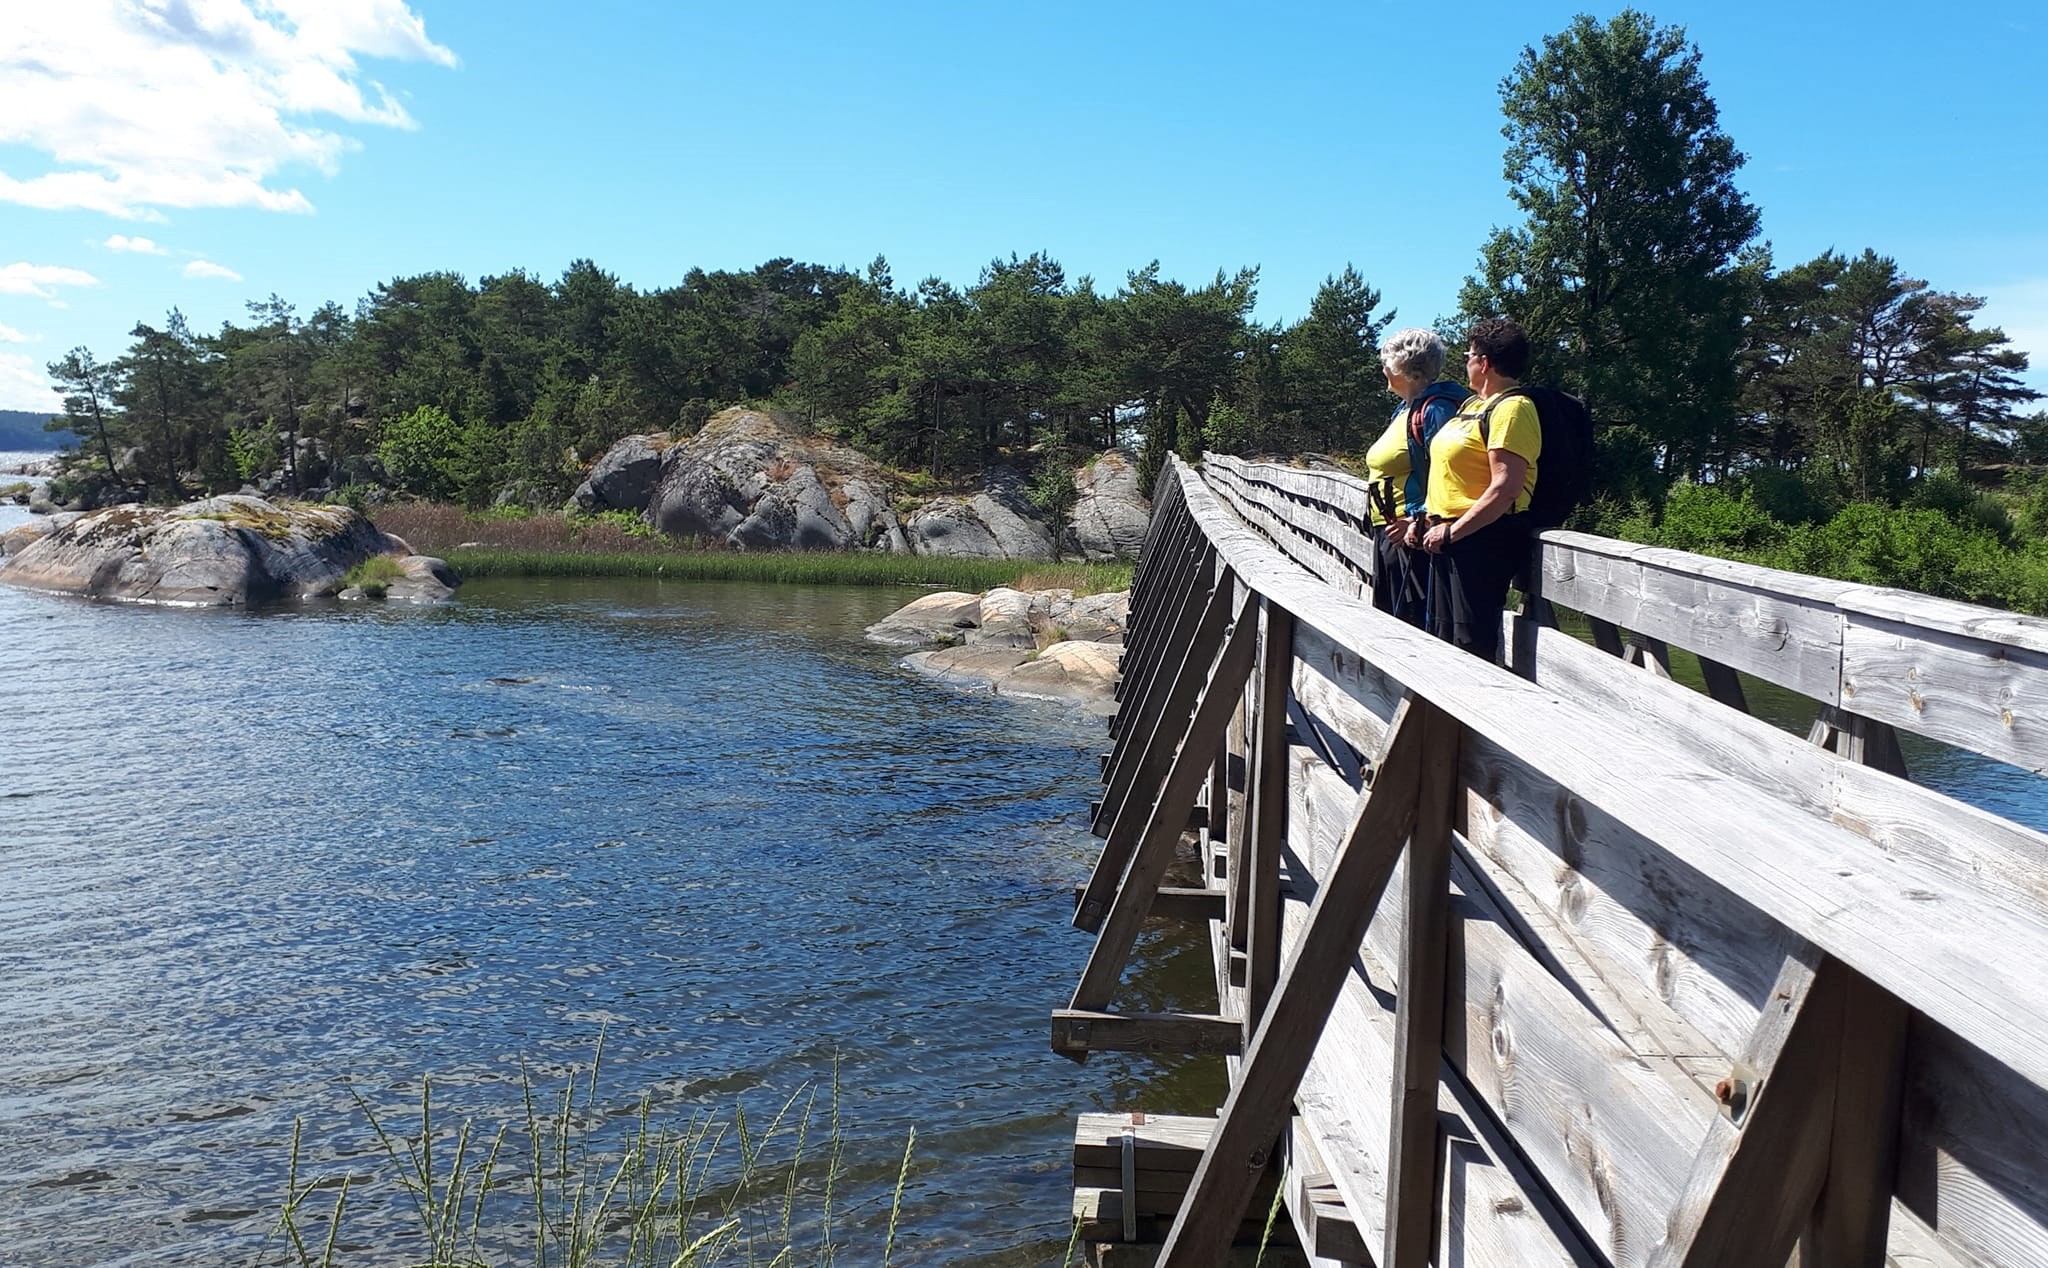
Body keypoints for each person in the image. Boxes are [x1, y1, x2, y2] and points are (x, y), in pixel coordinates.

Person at [1417, 317, 1541, 662]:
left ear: (1484, 363)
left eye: (1468, 356)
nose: (1466, 363)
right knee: (1441, 647)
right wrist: (1427, 518)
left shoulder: (1513, 409)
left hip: (1480, 541)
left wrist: (1453, 531)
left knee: (1470, 649)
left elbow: (1506, 488)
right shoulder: (1471, 407)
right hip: (1448, 537)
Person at [1365, 328, 1469, 626]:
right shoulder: (1405, 409)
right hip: (1391, 531)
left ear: (1407, 369)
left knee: (1408, 627)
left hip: (1412, 537)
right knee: (1389, 623)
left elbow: (1447, 471)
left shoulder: (1435, 410)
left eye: (1387, 362)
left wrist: (1416, 519)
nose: (1383, 369)